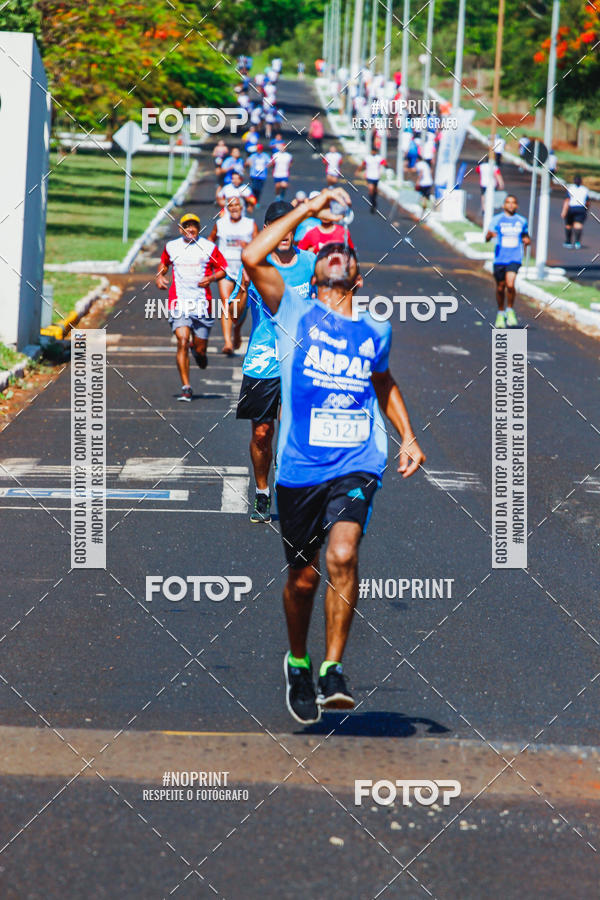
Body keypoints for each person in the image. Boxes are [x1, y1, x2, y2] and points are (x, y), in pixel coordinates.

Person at [240, 187, 426, 723]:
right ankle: (298, 660)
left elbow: (384, 383)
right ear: (315, 274)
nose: (334, 254)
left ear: (357, 278)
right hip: (300, 468)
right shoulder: (291, 309)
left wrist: (407, 436)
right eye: (325, 254)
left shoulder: (375, 329)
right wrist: (307, 211)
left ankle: (332, 669)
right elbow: (252, 256)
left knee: (342, 555)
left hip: (358, 462)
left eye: (343, 253)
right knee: (302, 577)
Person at [234, 200, 316, 523]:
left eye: (289, 226)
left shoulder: (310, 263)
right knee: (262, 434)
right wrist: (242, 288)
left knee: (294, 432)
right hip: (262, 360)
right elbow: (235, 316)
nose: (285, 233)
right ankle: (263, 493)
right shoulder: (256, 263)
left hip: (299, 359)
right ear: (268, 231)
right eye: (277, 227)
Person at [156, 213, 229, 402]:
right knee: (182, 341)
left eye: (194, 226)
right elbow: (164, 264)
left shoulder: (208, 247)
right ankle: (186, 387)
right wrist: (160, 276)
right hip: (179, 303)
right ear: (180, 229)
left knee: (200, 350)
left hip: (202, 305)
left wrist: (211, 278)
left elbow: (223, 269)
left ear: (198, 228)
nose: (190, 229)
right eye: (186, 226)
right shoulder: (172, 247)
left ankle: (199, 353)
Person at [209, 197, 257, 354]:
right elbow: (210, 241)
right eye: (231, 205)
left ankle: (237, 329)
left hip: (244, 270)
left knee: (241, 306)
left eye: (237, 205)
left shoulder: (250, 225)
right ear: (227, 208)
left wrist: (248, 246)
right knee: (226, 304)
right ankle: (228, 342)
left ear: (242, 207)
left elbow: (260, 245)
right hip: (226, 270)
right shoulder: (220, 224)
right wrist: (212, 258)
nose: (234, 208)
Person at [485, 194, 531, 328]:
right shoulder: (497, 220)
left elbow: (526, 236)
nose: (511, 205)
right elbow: (487, 237)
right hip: (500, 258)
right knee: (500, 287)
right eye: (508, 202)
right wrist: (489, 235)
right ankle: (500, 312)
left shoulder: (521, 221)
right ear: (504, 205)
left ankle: (510, 309)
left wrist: (527, 241)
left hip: (515, 257)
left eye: (513, 202)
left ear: (517, 205)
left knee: (510, 285)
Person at [562, 174, 589, 249]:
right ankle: (577, 242)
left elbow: (567, 200)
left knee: (568, 225)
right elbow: (587, 202)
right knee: (578, 225)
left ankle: (568, 242)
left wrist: (564, 211)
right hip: (581, 208)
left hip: (571, 208)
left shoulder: (571, 188)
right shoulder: (585, 190)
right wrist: (586, 209)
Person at [356, 146, 387, 213]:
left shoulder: (379, 158)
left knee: (375, 190)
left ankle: (374, 201)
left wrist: (386, 165)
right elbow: (363, 165)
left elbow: (384, 163)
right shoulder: (367, 158)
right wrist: (358, 170)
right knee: (371, 189)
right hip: (369, 176)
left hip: (376, 177)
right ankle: (372, 204)